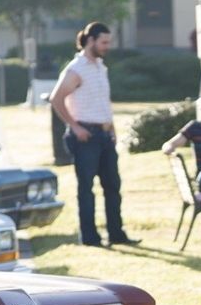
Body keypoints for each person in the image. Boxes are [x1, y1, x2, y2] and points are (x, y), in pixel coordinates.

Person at [49, 22, 139, 247]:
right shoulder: (76, 69)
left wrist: (113, 129)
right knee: (86, 189)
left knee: (112, 186)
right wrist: (75, 127)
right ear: (91, 41)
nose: (107, 46)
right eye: (104, 42)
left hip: (105, 136)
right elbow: (56, 99)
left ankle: (116, 233)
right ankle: (90, 238)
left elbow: (104, 101)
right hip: (85, 136)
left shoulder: (100, 66)